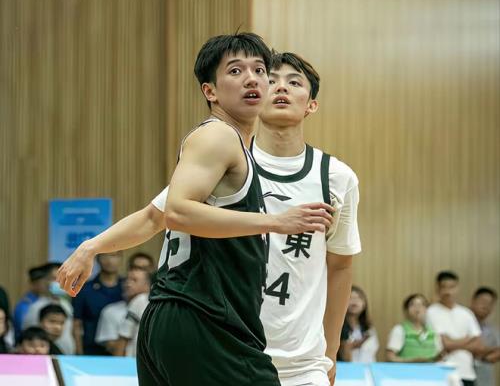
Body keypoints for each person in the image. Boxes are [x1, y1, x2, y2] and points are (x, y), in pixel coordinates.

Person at [56, 33, 333, 386]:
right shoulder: (218, 137)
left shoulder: (226, 150)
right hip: (204, 320)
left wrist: (91, 246)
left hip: (169, 321)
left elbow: (152, 217)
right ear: (210, 91)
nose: (252, 78)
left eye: (259, 70)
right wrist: (276, 222)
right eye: (235, 71)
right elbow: (178, 212)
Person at [153, 51, 361, 386]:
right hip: (230, 347)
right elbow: (157, 215)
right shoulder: (227, 159)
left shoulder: (337, 177)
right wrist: (93, 247)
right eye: (272, 80)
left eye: (294, 83)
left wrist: (331, 351)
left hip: (303, 362)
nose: (281, 88)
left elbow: (340, 266)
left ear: (311, 105)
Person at [426, 271, 482, 386]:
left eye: (452, 287)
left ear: (458, 288)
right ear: (438, 289)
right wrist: (468, 339)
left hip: (467, 372)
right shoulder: (431, 312)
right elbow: (445, 344)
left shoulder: (466, 313)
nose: (448, 292)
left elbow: (478, 345)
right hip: (442, 372)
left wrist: (453, 343)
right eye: (444, 287)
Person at [72, 252, 124, 355]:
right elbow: (76, 323)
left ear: (121, 258)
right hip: (91, 349)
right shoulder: (84, 289)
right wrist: (79, 353)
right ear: (97, 259)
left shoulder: (127, 287)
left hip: (121, 350)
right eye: (105, 255)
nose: (110, 260)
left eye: (114, 255)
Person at [95, 267, 151, 356]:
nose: (128, 283)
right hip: (128, 361)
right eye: (126, 280)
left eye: (134, 280)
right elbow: (121, 340)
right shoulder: (110, 311)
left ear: (147, 285)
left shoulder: (151, 304)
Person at [22, 262, 75, 354]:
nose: (60, 282)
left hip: (67, 354)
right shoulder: (35, 307)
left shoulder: (67, 305)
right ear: (45, 281)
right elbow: (30, 335)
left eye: (63, 278)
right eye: (55, 278)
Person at [386, 294, 443, 363]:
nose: (417, 308)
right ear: (406, 310)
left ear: (427, 309)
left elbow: (439, 356)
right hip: (406, 369)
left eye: (422, 305)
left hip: (430, 369)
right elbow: (390, 357)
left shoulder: (433, 331)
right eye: (413, 305)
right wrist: (412, 361)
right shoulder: (400, 330)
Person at [339, 286, 379, 363]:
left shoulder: (369, 327)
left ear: (364, 304)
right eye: (350, 298)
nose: (354, 301)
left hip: (368, 367)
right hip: (344, 368)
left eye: (358, 298)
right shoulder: (338, 327)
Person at [470, 287, 500, 386]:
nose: (486, 306)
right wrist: (486, 351)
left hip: (485, 380)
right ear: (473, 301)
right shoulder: (463, 323)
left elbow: (497, 353)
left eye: (490, 304)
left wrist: (482, 356)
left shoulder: (492, 330)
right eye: (483, 301)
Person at [13, 264, 51, 339]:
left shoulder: (46, 300)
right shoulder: (25, 304)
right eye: (44, 283)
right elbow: (23, 328)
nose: (47, 286)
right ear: (33, 284)